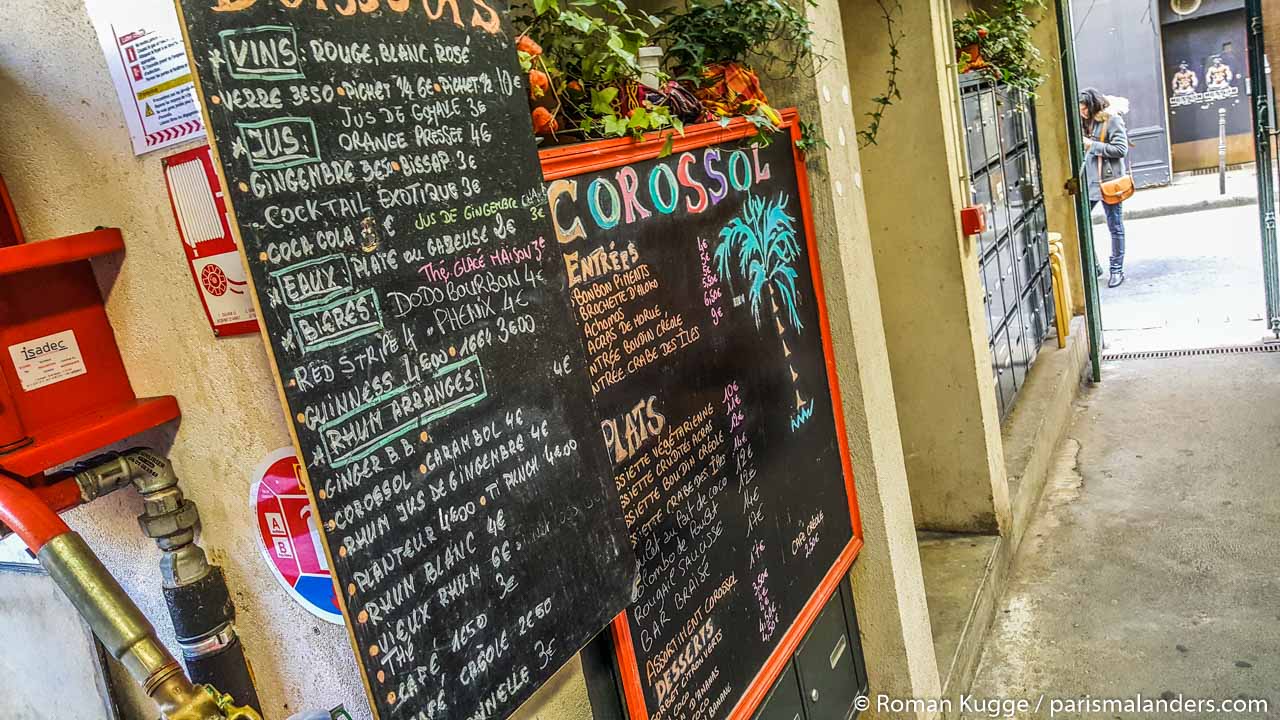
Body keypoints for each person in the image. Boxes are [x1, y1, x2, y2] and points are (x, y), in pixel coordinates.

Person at [1080, 87, 1128, 288]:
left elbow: (1121, 149)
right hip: (1089, 182)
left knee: (1115, 226)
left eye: (1084, 109)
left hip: (1109, 182)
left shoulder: (1111, 120)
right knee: (1081, 225)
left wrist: (1092, 145)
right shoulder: (1083, 123)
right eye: (1080, 109)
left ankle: (1116, 269)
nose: (1082, 112)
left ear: (1093, 106)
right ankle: (1094, 266)